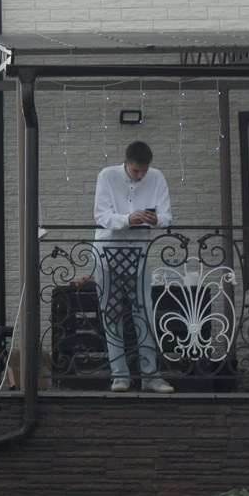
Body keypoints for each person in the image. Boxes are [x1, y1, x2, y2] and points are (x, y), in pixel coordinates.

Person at [92, 139, 173, 393]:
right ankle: (120, 375)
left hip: (138, 253)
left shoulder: (156, 177)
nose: (140, 175)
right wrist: (128, 218)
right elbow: (101, 216)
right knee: (111, 312)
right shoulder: (107, 176)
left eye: (144, 170)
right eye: (136, 170)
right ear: (125, 162)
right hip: (106, 252)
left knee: (144, 311)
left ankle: (151, 375)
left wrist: (154, 217)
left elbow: (167, 217)